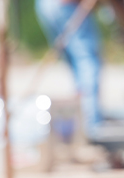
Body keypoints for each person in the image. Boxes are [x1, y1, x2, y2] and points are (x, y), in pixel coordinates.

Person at [35, 0, 103, 141]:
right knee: (86, 61)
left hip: (46, 5)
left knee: (76, 62)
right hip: (66, 4)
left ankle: (81, 121)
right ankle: (90, 126)